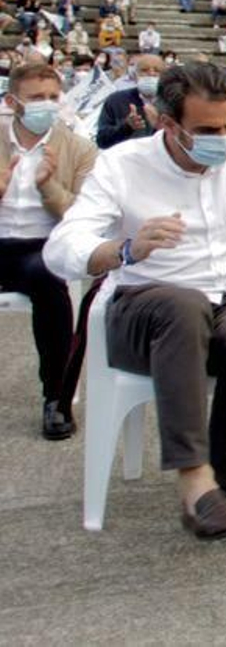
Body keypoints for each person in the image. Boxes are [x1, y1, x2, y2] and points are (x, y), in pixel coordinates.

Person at [43, 63, 226, 548]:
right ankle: (194, 479)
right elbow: (62, 248)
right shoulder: (123, 164)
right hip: (146, 307)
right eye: (208, 131)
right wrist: (125, 249)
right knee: (183, 306)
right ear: (168, 124)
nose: (224, 139)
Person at [0, 62, 97, 439]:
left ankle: (56, 396)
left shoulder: (77, 148)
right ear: (13, 101)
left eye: (53, 97)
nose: (46, 105)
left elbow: (87, 214)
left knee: (49, 282)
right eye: (35, 98)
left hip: (42, 246)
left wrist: (49, 189)